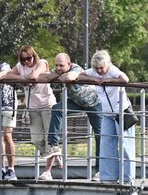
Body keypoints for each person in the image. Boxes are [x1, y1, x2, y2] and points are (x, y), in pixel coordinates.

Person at [37, 52, 102, 180]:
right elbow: (41, 77)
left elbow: (69, 77)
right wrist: (55, 74)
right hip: (76, 102)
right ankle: (54, 144)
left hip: (93, 103)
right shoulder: (58, 71)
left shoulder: (76, 68)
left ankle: (100, 171)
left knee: (100, 136)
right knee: (57, 109)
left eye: (61, 65)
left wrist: (56, 76)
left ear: (69, 64)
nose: (58, 68)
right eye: (56, 65)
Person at [78, 50, 133, 183]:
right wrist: (94, 79)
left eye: (101, 68)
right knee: (106, 144)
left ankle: (127, 178)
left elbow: (125, 79)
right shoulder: (94, 71)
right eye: (96, 69)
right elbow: (80, 77)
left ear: (107, 65)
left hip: (121, 111)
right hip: (107, 113)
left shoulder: (112, 69)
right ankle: (108, 177)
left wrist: (109, 80)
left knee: (125, 144)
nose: (99, 71)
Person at [9, 45, 57, 180]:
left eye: (29, 58)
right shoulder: (20, 66)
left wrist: (25, 78)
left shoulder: (42, 63)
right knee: (36, 139)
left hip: (47, 104)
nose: (26, 62)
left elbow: (35, 77)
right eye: (23, 59)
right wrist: (24, 79)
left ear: (34, 56)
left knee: (50, 138)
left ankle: (47, 171)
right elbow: (9, 75)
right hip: (32, 107)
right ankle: (54, 154)